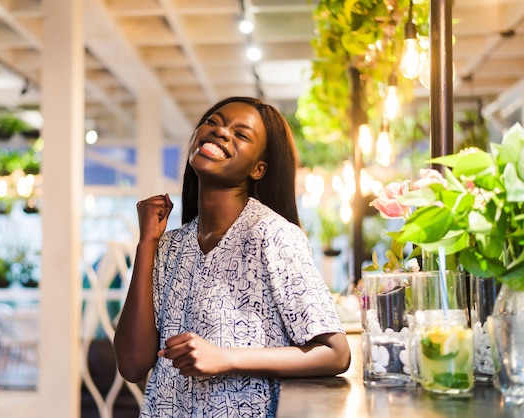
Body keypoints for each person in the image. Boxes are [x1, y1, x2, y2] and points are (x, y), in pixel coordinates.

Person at [115, 96, 350, 417]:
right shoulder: (169, 246)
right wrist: (147, 244)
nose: (220, 132)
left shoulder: (273, 234)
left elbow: (335, 354)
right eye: (213, 121)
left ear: (259, 168)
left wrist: (224, 357)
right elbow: (132, 365)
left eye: (241, 134)